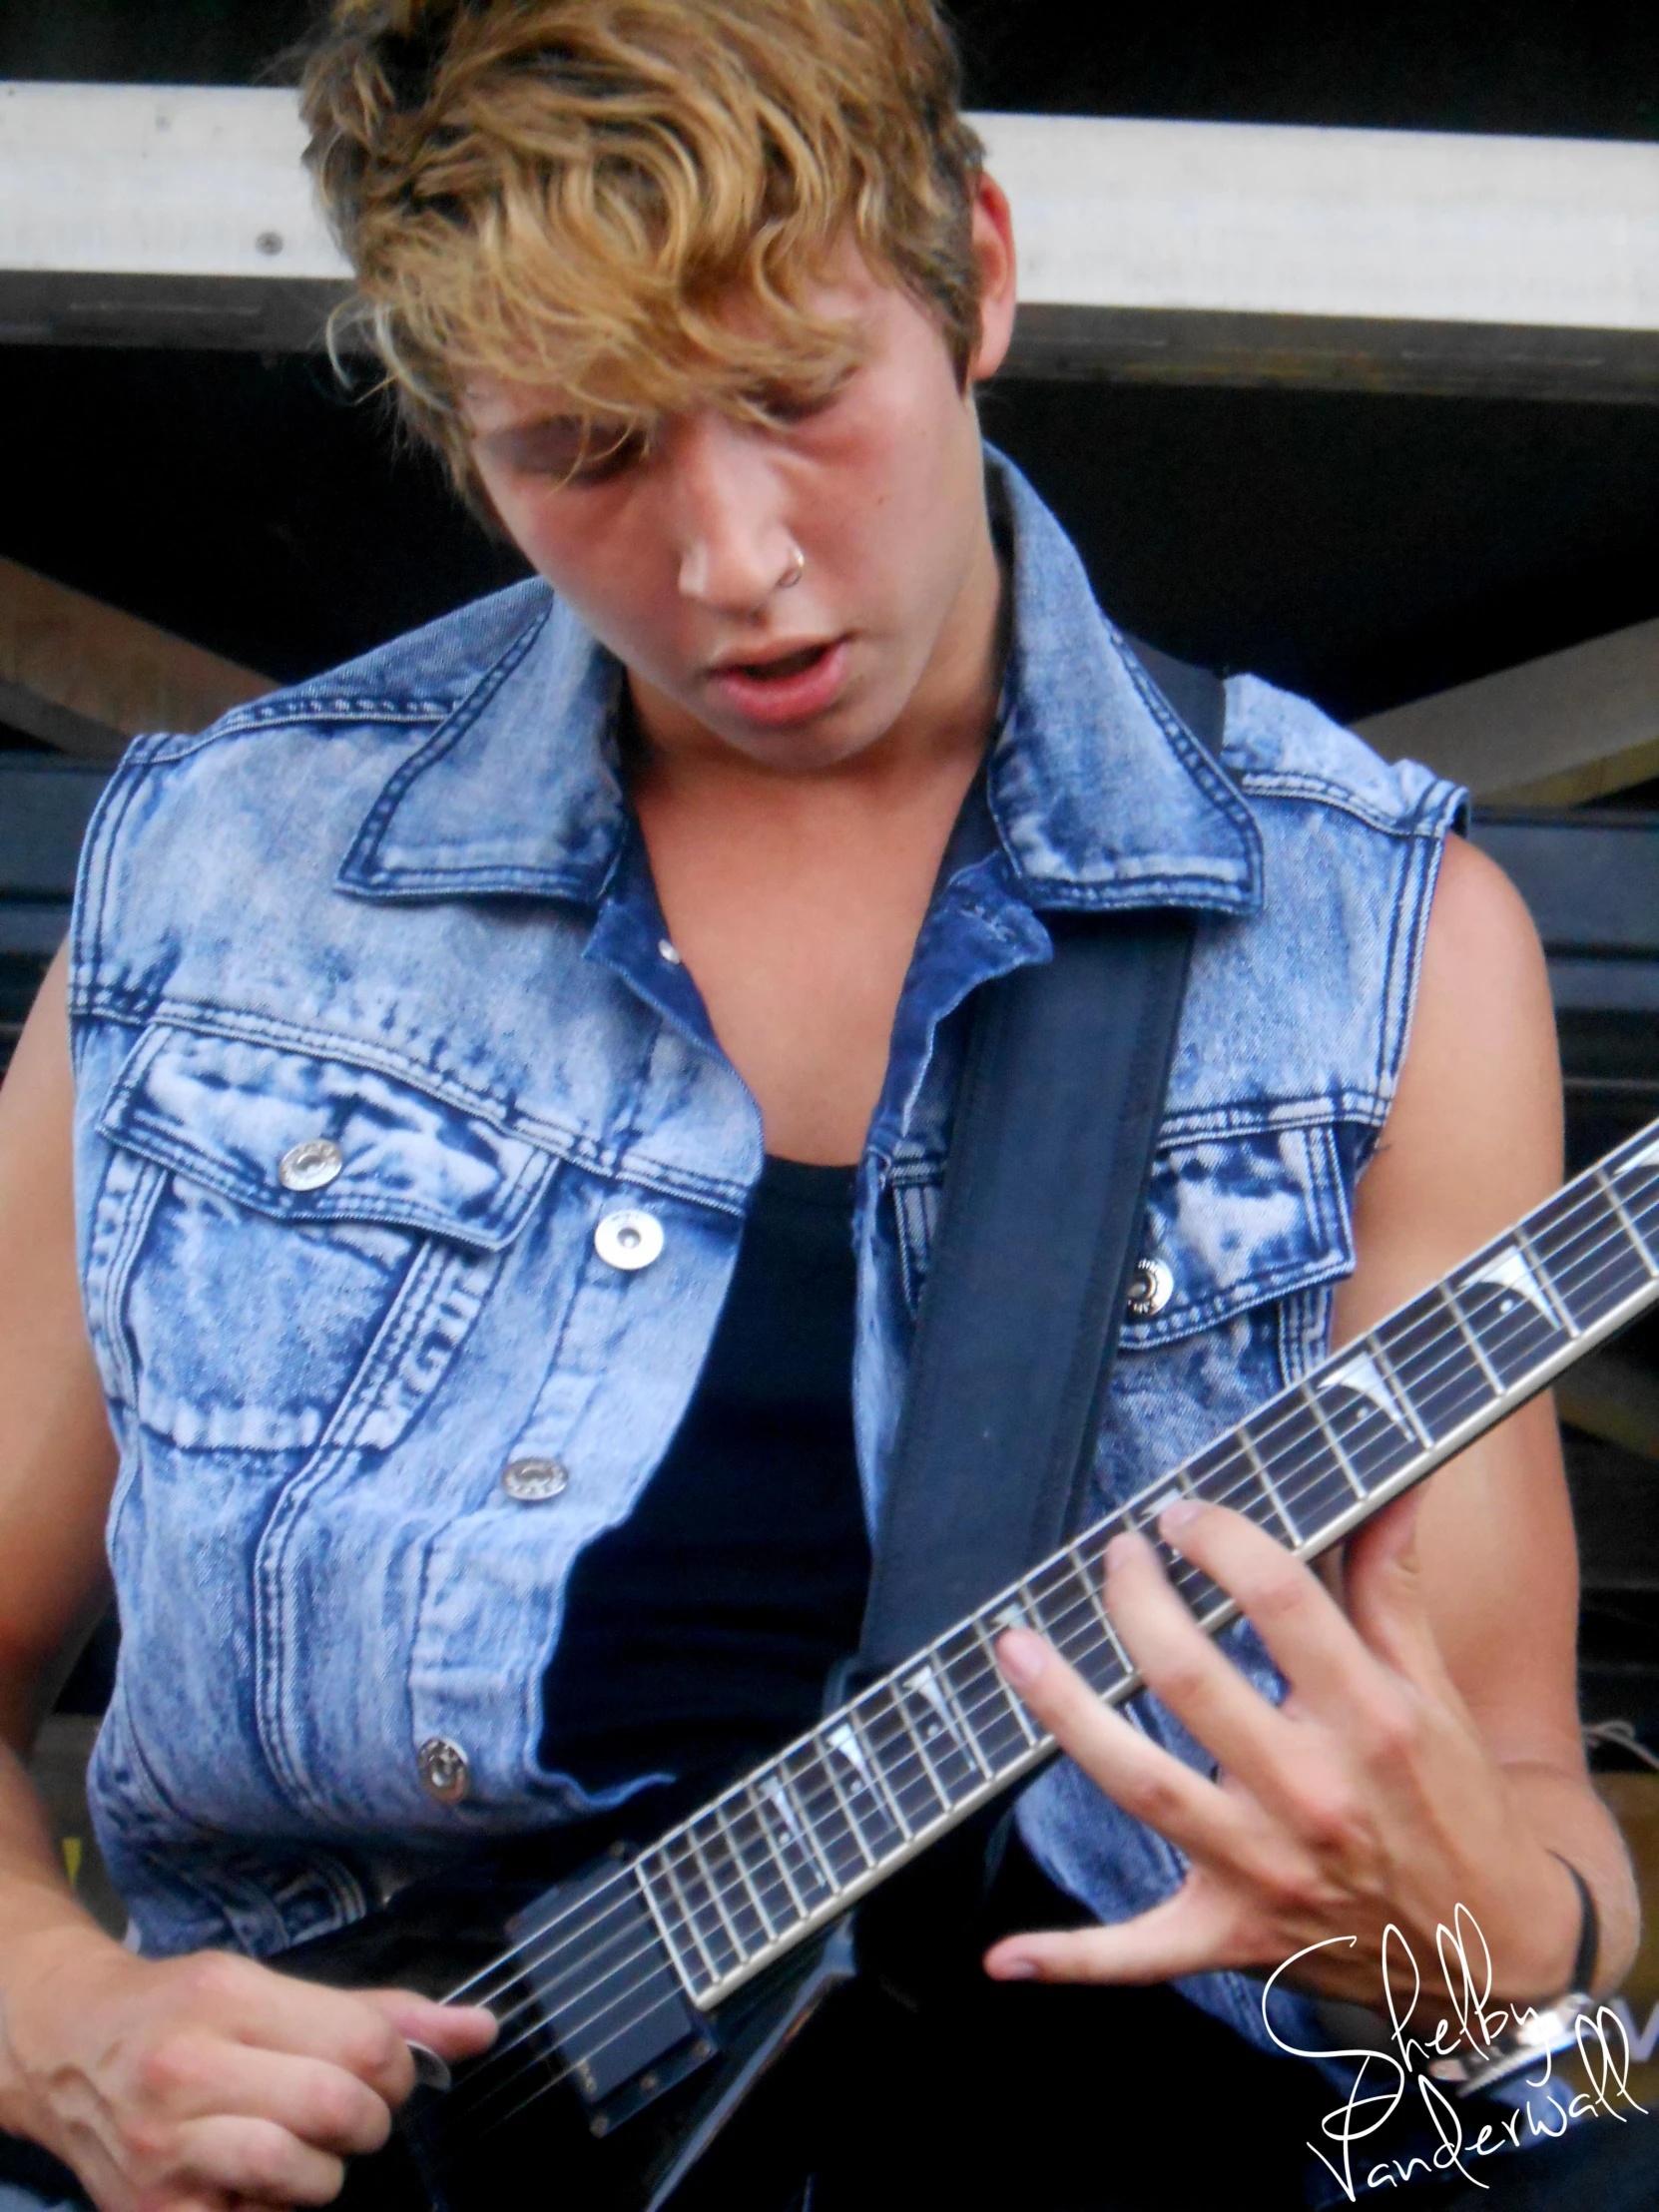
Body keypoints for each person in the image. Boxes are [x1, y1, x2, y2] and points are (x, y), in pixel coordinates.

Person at [0, 3, 1646, 2207]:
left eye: (795, 398)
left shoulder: (1367, 930)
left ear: (974, 266)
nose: (732, 562)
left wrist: (1474, 1943)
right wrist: (62, 2016)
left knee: (1577, 2134)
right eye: (585, 452)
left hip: (1151, 2147)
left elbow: (1542, 1923)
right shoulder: (230, 872)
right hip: (361, 2159)